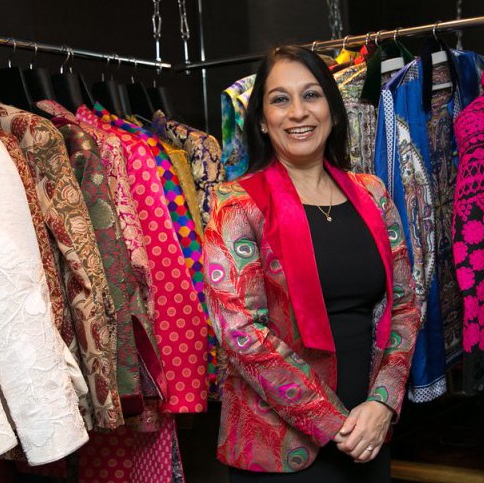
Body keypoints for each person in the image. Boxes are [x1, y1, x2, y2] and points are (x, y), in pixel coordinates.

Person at [203, 45, 422, 483]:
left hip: (367, 437)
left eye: (312, 95)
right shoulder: (237, 205)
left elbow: (405, 305)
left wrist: (382, 404)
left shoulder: (374, 195)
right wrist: (332, 421)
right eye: (280, 99)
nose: (298, 112)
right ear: (263, 121)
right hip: (279, 453)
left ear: (334, 111)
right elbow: (240, 333)